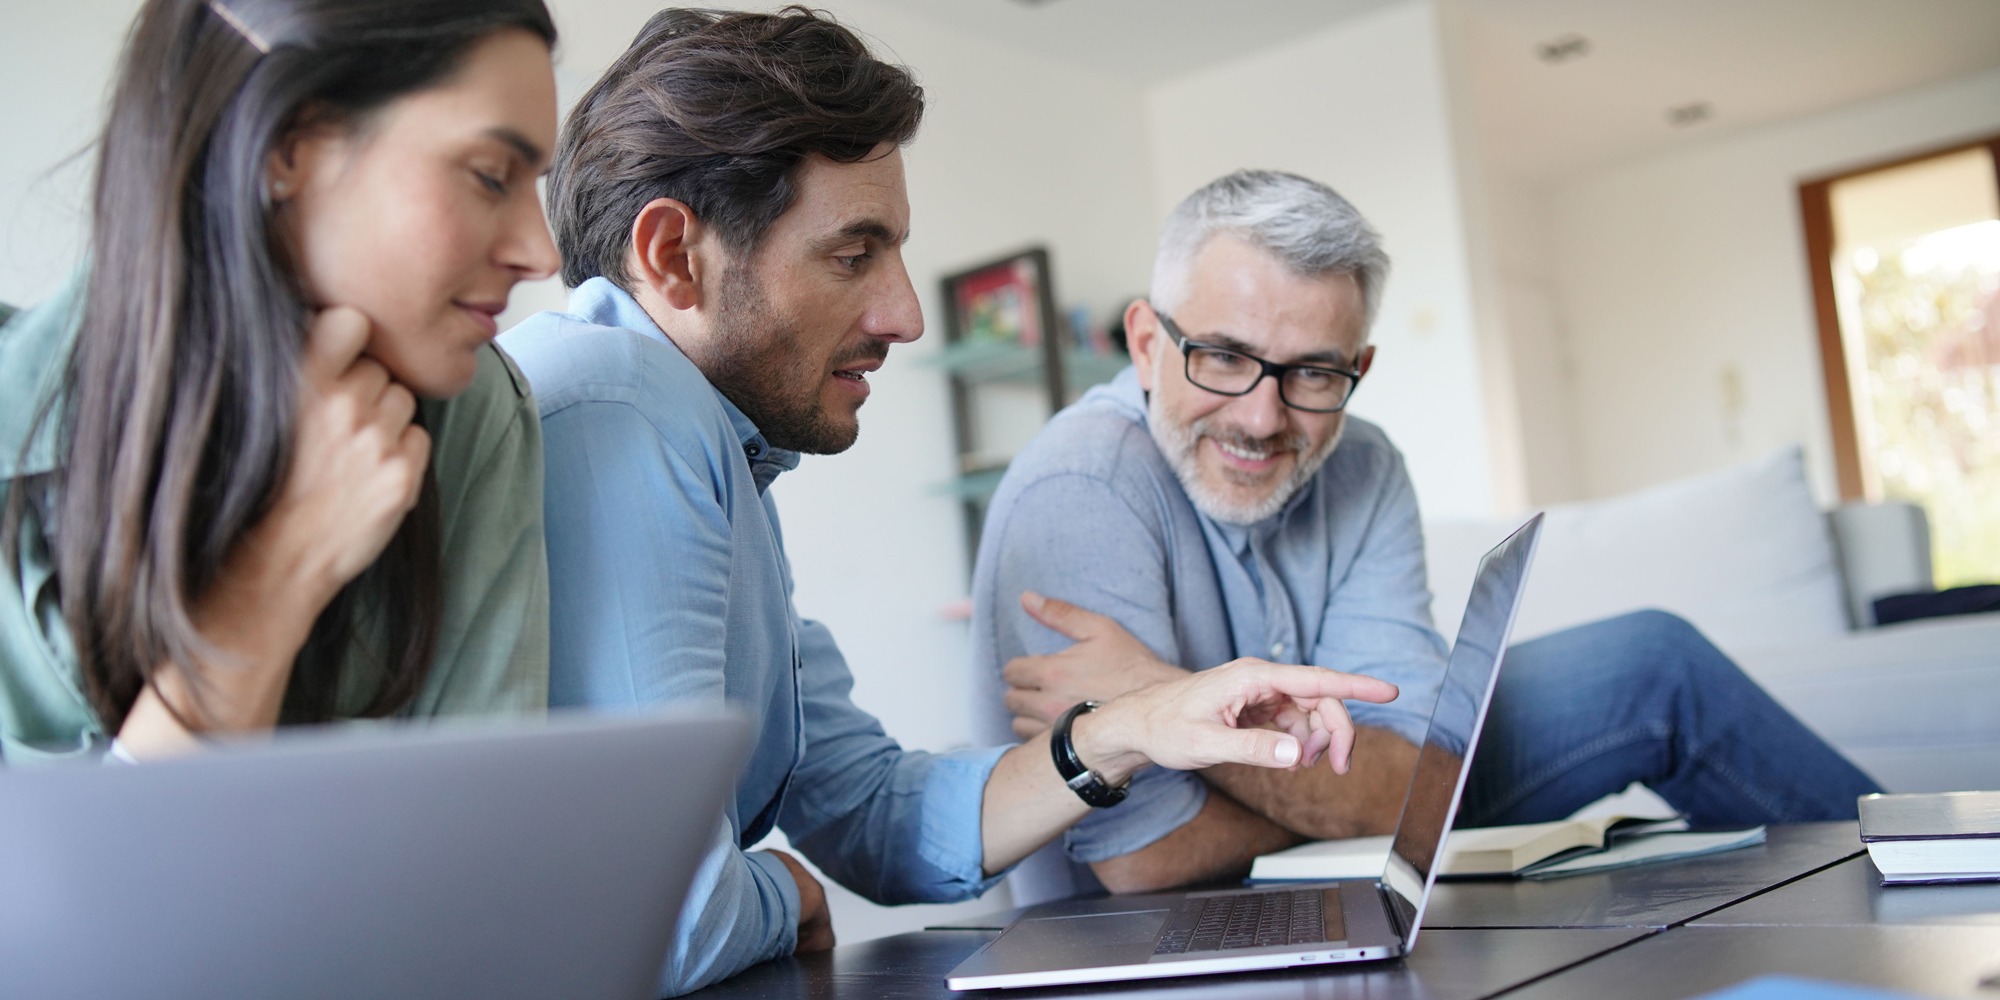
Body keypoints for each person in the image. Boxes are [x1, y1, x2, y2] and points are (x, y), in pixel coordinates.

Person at [498, 9, 1400, 996]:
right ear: (674, 256)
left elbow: (875, 817)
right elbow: (663, 918)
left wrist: (1128, 724)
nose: (905, 315)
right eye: (853, 255)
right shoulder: (621, 405)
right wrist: (784, 893)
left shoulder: (720, 452)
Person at [970, 169, 1884, 904]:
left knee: (1654, 662)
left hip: (1332, 858)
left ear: (1358, 366)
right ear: (1144, 343)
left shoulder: (1363, 462)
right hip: (1149, 926)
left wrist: (1164, 697)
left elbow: (1427, 777)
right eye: (1223, 357)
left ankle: (1933, 879)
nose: (1260, 417)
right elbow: (1147, 858)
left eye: (1314, 373)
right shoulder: (1081, 487)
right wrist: (1370, 801)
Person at [0, 0, 562, 765]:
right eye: (491, 176)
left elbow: (472, 858)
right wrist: (272, 581)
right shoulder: (18, 446)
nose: (541, 252)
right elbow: (75, 886)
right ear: (286, 146)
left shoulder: (477, 415)